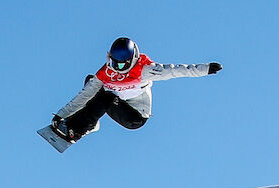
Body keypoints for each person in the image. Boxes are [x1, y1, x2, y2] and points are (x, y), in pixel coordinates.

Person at [51, 37, 222, 142]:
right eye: (114, 63)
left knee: (106, 97)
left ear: (132, 59)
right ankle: (85, 122)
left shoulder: (144, 69)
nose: (117, 68)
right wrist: (61, 114)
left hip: (135, 117)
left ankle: (77, 130)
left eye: (121, 64)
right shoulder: (106, 73)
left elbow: (175, 70)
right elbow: (84, 95)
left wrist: (205, 69)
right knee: (91, 83)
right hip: (117, 104)